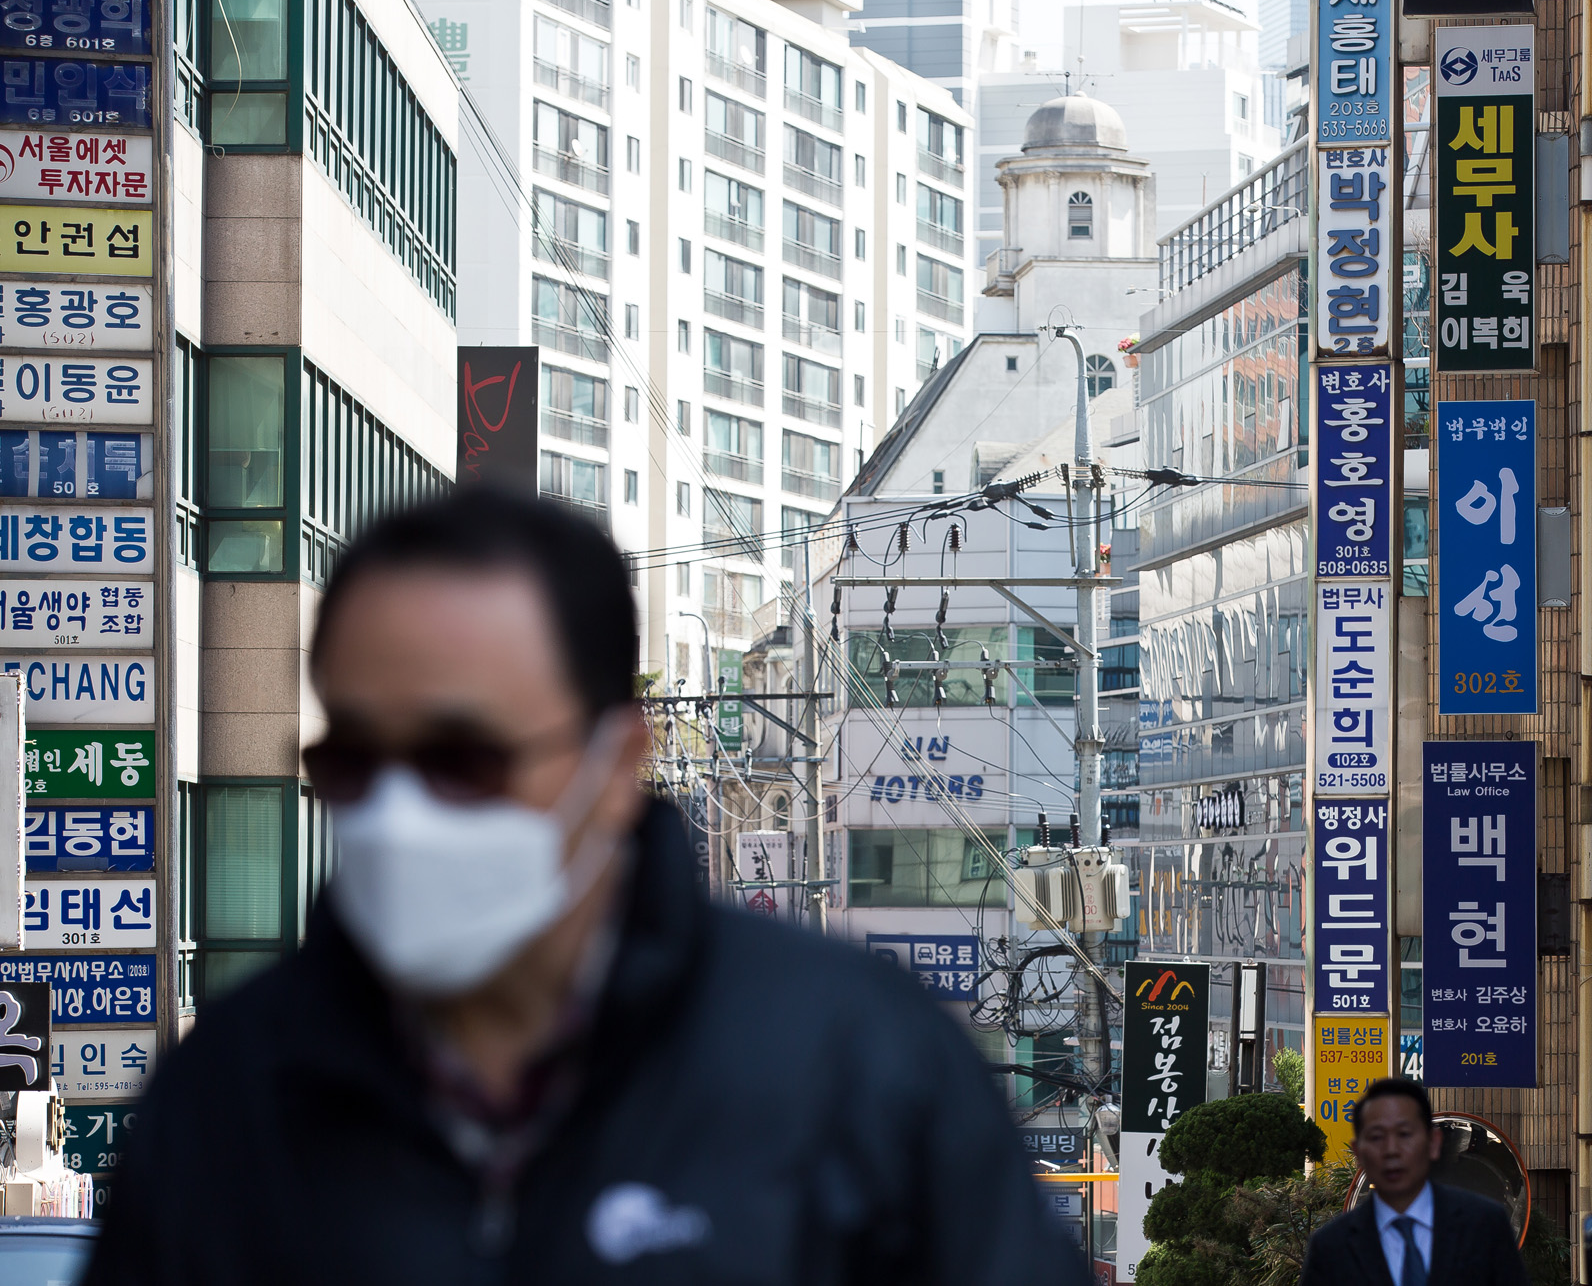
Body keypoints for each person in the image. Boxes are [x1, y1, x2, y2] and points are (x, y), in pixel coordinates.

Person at [84, 487, 1087, 1286]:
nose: (398, 815)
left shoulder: (858, 1066)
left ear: (616, 763)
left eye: (462, 760)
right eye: (352, 764)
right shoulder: (231, 1092)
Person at [1299, 1077, 1529, 1286]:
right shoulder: (1330, 1248)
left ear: (1433, 1142)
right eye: (1377, 1137)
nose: (1391, 1150)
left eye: (1405, 1134)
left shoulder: (1485, 1227)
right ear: (1358, 1152)